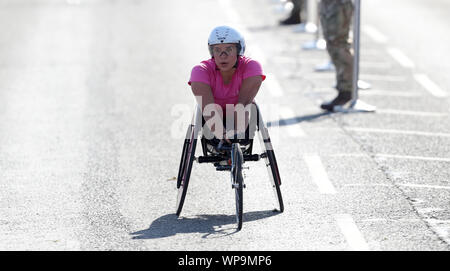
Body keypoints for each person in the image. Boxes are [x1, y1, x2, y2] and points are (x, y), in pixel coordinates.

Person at [188, 26, 266, 143]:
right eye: (217, 50)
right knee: (214, 110)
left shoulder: (252, 67)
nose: (222, 56)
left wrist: (237, 135)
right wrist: (222, 134)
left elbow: (242, 106)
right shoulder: (200, 71)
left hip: (240, 115)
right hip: (212, 117)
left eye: (229, 49)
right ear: (212, 52)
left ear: (239, 50)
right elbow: (209, 109)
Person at [319, 0, 354, 111]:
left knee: (338, 43)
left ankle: (346, 91)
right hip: (330, 4)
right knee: (332, 44)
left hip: (338, 4)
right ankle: (343, 88)